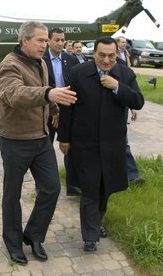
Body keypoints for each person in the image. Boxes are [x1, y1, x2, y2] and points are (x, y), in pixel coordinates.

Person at [0, 21, 77, 265]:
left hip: (41, 138)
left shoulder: (40, 63)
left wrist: (52, 108)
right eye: (40, 40)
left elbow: (43, 91)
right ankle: (12, 243)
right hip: (15, 140)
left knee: (52, 188)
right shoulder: (9, 65)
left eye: (46, 40)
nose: (45, 45)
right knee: (13, 194)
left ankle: (33, 235)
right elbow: (14, 95)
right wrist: (48, 94)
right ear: (25, 41)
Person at [58, 36, 144, 252]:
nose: (106, 60)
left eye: (111, 56)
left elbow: (138, 101)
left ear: (116, 54)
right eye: (101, 55)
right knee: (89, 189)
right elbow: (67, 107)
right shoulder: (78, 73)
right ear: (93, 53)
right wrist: (64, 138)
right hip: (84, 143)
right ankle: (90, 236)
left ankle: (96, 223)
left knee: (105, 187)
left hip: (112, 144)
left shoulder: (125, 74)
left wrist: (117, 87)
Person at [42, 28, 80, 196]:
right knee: (45, 148)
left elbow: (78, 85)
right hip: (46, 108)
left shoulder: (70, 59)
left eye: (62, 40)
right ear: (48, 41)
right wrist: (53, 109)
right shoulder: (40, 59)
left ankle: (72, 184)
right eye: (56, 40)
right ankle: (43, 184)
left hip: (68, 110)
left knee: (71, 148)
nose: (59, 43)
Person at [116, 36, 145, 185]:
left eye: (124, 42)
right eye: (121, 42)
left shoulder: (123, 62)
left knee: (123, 144)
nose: (124, 44)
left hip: (120, 111)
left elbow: (132, 91)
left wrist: (132, 106)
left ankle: (132, 175)